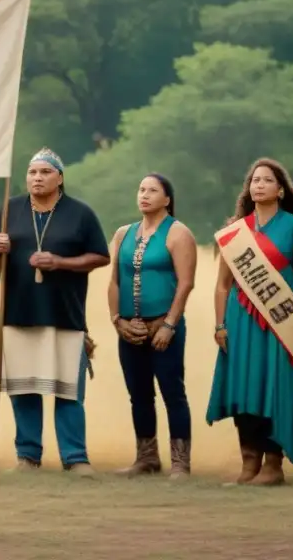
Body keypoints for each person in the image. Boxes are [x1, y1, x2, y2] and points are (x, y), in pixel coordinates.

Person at [0, 148, 110, 474]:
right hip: (18, 313)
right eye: (32, 172)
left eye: (45, 172)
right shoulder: (10, 210)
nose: (37, 178)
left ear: (60, 178)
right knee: (23, 389)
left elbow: (99, 256)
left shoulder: (79, 213)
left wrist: (60, 262)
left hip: (64, 314)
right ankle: (28, 456)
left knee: (67, 389)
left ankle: (75, 457)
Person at [207, 158, 293, 486]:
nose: (258, 185)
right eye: (254, 180)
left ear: (281, 189)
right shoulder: (235, 232)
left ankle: (273, 465)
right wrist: (220, 324)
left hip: (280, 318)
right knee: (244, 387)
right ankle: (249, 464)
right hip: (240, 320)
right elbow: (222, 285)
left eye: (266, 180)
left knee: (275, 386)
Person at [107, 173, 197, 478]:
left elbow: (186, 284)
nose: (144, 195)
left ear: (167, 199)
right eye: (141, 189)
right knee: (139, 394)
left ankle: (180, 462)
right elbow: (114, 281)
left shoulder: (178, 233)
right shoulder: (123, 234)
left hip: (163, 326)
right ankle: (146, 457)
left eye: (153, 190)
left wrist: (169, 325)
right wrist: (116, 320)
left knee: (173, 392)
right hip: (130, 329)